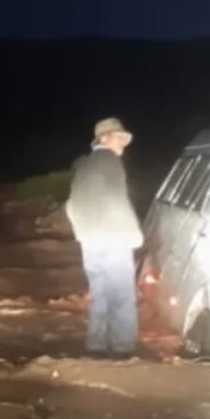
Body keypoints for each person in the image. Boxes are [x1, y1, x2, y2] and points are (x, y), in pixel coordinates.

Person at [65, 117, 143, 356]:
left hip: (90, 241)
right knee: (122, 296)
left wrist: (82, 231)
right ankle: (123, 350)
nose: (122, 144)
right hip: (113, 239)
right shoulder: (110, 162)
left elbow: (70, 205)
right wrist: (134, 233)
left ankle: (96, 346)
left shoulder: (83, 165)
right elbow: (116, 201)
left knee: (99, 295)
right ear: (104, 139)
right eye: (118, 138)